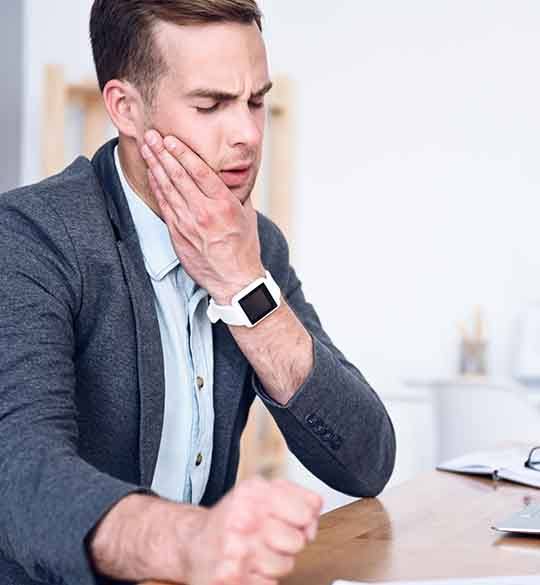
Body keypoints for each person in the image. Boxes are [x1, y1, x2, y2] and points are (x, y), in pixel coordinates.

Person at [0, 1, 396, 584]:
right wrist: (194, 538)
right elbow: (20, 476)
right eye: (210, 104)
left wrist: (244, 287)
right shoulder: (30, 236)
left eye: (256, 101)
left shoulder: (251, 244)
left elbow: (367, 461)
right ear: (126, 109)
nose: (247, 134)